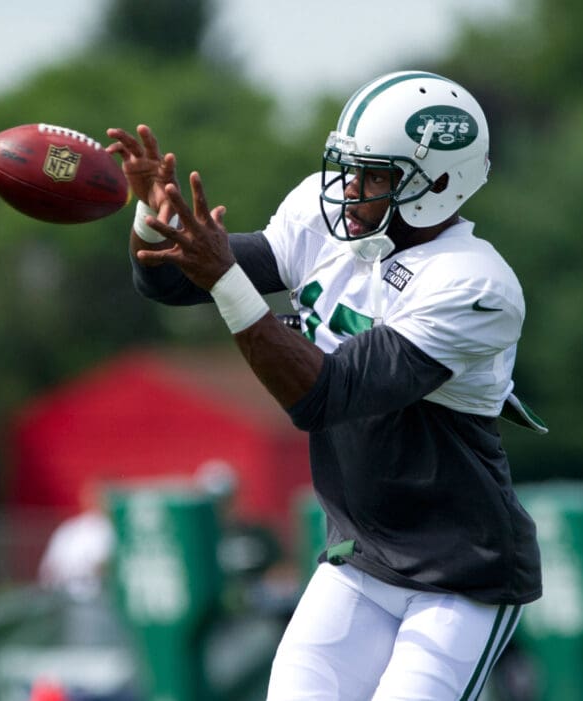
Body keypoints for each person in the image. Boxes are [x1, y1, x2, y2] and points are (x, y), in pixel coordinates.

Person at [107, 70, 546, 699]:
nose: (349, 189)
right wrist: (157, 217)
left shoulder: (473, 283)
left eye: (375, 175)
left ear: (439, 185)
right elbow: (172, 282)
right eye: (350, 167)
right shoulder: (327, 217)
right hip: (361, 557)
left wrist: (225, 279)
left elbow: (323, 395)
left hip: (460, 575)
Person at [38, 481, 118, 645]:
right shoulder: (71, 530)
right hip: (72, 605)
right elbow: (51, 567)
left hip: (106, 608)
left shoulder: (115, 529)